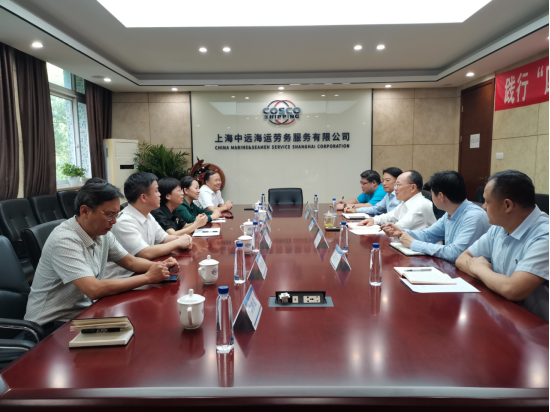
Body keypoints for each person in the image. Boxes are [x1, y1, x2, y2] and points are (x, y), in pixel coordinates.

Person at [24, 181, 178, 334]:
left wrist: (161, 266)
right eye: (110, 215)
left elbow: (131, 261)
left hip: (84, 313)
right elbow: (94, 289)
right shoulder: (65, 240)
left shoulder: (102, 233)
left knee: (143, 324)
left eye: (117, 214)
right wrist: (148, 277)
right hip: (50, 326)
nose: (115, 221)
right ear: (85, 211)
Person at [456, 170, 548, 322]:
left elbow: (513, 289)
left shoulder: (544, 236)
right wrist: (493, 279)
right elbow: (462, 259)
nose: (483, 207)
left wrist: (479, 268)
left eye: (487, 202)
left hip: (536, 326)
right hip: (502, 313)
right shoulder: (499, 226)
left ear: (507, 205)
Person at [381, 171, 490, 262]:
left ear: (441, 196)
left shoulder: (473, 217)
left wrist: (414, 244)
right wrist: (401, 232)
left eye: (432, 193)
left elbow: (456, 253)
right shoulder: (450, 212)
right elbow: (428, 235)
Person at [104, 173, 192, 279]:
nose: (160, 194)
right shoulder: (124, 221)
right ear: (144, 197)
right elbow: (145, 253)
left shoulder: (147, 214)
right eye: (156, 191)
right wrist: (178, 242)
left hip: (144, 271)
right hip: (123, 278)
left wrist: (184, 239)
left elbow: (164, 238)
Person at [358, 170, 436, 230]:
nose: (395, 188)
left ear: (413, 187)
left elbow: (398, 227)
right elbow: (389, 216)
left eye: (398, 184)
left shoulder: (420, 205)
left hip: (421, 246)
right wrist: (373, 220)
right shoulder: (405, 203)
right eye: (395, 185)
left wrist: (381, 227)